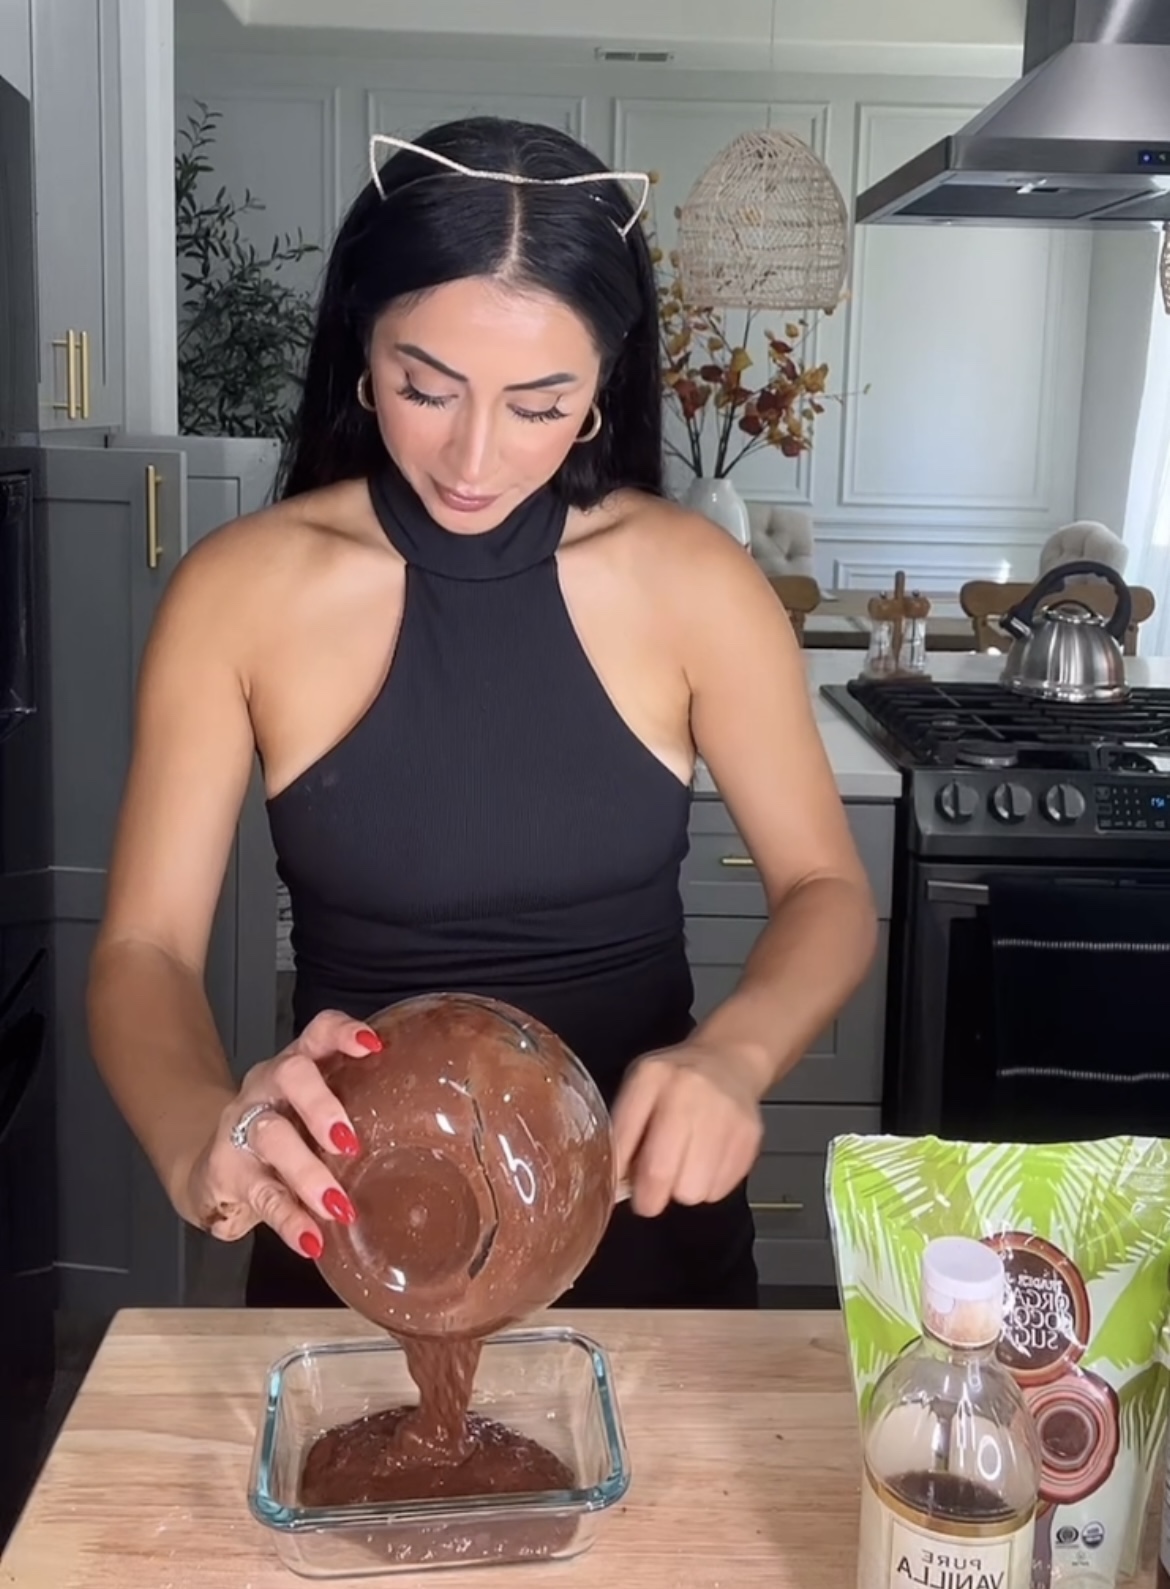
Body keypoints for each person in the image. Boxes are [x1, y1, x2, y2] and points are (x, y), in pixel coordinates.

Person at [86, 116, 877, 1311]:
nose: (473, 455)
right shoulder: (240, 592)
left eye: (539, 402)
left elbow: (827, 891)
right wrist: (204, 1125)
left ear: (605, 382)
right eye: (425, 387)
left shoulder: (695, 583)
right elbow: (143, 951)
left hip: (640, 1226)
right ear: (362, 350)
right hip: (351, 1225)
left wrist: (737, 1054)